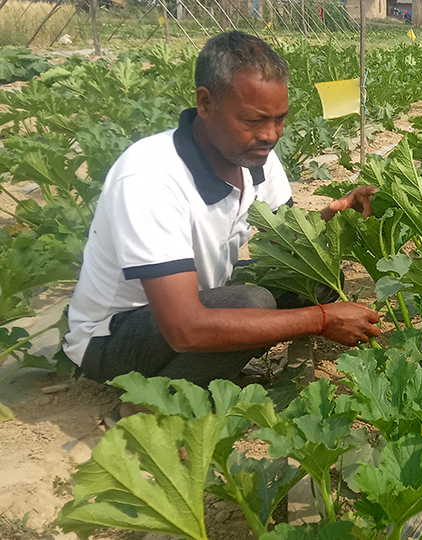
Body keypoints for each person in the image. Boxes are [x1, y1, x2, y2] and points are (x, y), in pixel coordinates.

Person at [62, 31, 382, 388]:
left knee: (317, 281)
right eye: (253, 120)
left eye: (280, 119)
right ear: (205, 103)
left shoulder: (257, 156)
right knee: (252, 302)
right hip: (116, 336)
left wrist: (334, 215)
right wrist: (321, 320)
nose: (271, 134)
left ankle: (210, 372)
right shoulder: (149, 176)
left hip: (201, 295)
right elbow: (185, 328)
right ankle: (149, 406)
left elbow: (290, 245)